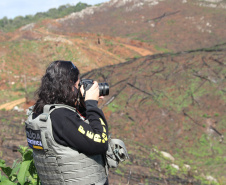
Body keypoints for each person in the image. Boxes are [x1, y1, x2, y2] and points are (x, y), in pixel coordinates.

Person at [25, 60, 109, 185]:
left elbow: (69, 137)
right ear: (70, 85)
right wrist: (91, 104)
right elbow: (100, 142)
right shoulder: (62, 118)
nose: (79, 88)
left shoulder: (39, 113)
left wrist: (82, 106)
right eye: (78, 84)